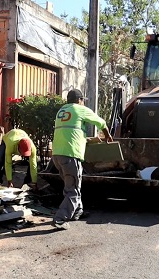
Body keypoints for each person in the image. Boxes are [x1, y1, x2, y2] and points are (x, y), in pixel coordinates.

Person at [51, 89, 113, 230]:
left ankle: (77, 211)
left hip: (57, 155)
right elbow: (101, 122)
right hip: (70, 154)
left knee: (73, 185)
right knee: (72, 189)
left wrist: (90, 140)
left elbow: (71, 133)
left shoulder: (61, 111)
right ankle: (60, 218)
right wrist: (107, 135)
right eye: (82, 100)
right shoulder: (79, 109)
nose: (83, 102)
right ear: (79, 100)